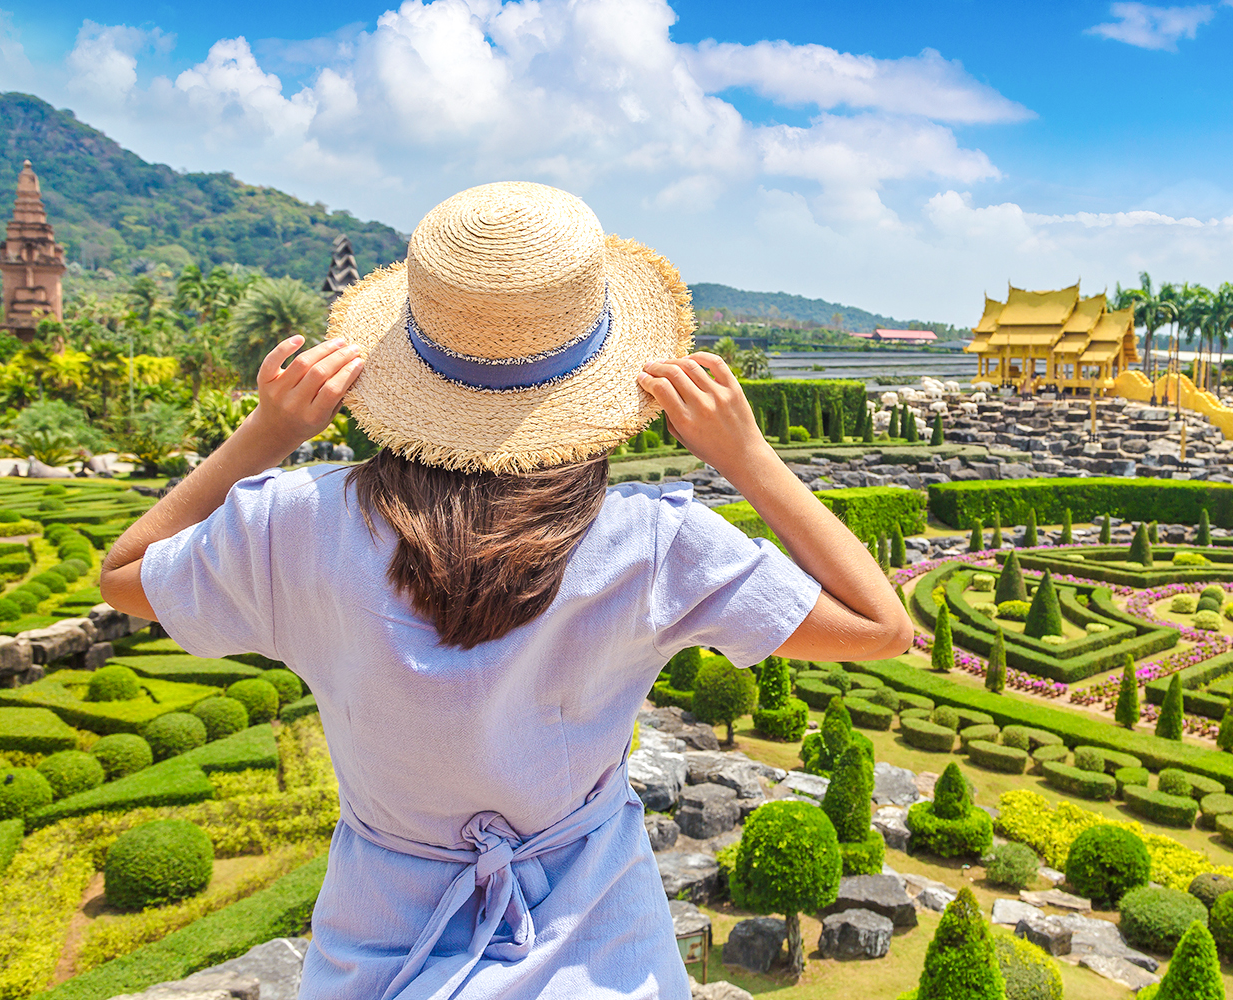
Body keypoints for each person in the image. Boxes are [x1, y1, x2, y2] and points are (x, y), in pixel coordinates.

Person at [98, 182, 911, 999]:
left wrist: (266, 435)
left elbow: (125, 576)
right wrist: (746, 458)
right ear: (605, 374)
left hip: (376, 952)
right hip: (601, 951)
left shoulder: (297, 523)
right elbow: (881, 626)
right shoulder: (654, 544)